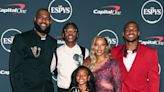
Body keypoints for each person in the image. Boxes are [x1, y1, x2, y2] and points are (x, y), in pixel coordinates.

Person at [9, 8, 57, 92]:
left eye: (47, 18)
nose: (44, 21)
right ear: (35, 19)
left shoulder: (52, 42)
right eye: (41, 17)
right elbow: (15, 69)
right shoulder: (22, 39)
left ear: (50, 22)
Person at [111, 21, 160, 92]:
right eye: (128, 30)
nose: (131, 32)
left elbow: (154, 81)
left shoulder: (149, 53)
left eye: (134, 30)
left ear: (138, 33)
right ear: (123, 34)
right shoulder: (114, 51)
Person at [50, 22, 89, 92]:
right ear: (63, 35)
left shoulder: (84, 52)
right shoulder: (57, 52)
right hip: (63, 90)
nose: (70, 33)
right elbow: (50, 70)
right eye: (67, 31)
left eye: (74, 31)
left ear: (77, 34)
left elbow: (88, 73)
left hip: (80, 90)